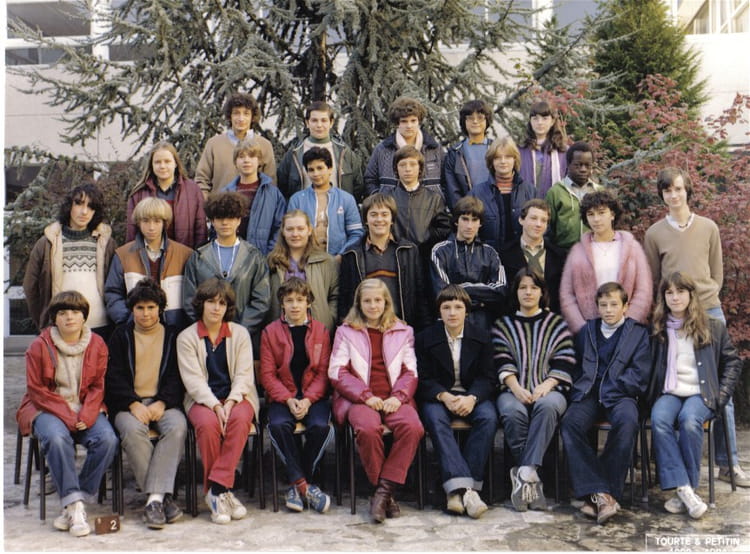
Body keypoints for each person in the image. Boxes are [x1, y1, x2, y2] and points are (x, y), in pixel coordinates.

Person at [643, 168, 749, 487]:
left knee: (720, 390)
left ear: (687, 190)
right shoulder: (654, 234)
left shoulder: (708, 227)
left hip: (708, 311)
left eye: (678, 189)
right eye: (667, 191)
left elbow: (716, 273)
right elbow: (655, 278)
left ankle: (728, 463)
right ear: (662, 195)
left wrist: (705, 300)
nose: (673, 195)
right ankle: (676, 471)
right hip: (674, 313)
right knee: (678, 384)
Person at [16, 291, 118, 537]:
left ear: (84, 317)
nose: (69, 317)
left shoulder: (97, 344)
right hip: (46, 407)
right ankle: (74, 506)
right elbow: (37, 390)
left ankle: (75, 501)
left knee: (107, 440)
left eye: (75, 312)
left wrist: (88, 414)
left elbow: (98, 386)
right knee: (57, 438)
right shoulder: (39, 346)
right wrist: (69, 416)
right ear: (54, 318)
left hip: (85, 406)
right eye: (62, 313)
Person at [328, 278, 424, 523]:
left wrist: (398, 397)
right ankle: (385, 495)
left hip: (394, 398)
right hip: (359, 399)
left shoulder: (403, 331)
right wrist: (365, 396)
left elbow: (411, 371)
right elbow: (337, 371)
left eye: (378, 300)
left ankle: (381, 493)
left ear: (386, 302)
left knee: (413, 427)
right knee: (368, 429)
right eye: (367, 301)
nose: (373, 306)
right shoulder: (346, 331)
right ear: (359, 303)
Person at [648, 272, 741, 519]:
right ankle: (685, 489)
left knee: (690, 421)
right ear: (663, 297)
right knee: (659, 419)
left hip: (701, 393)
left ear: (691, 294)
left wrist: (721, 395)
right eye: (669, 292)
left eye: (680, 292)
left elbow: (733, 362)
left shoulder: (712, 326)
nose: (675, 297)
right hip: (670, 391)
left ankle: (686, 489)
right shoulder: (658, 328)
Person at [560, 282, 651, 524]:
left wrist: (614, 387)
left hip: (621, 394)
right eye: (603, 305)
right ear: (597, 307)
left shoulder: (638, 334)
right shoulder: (587, 332)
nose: (608, 310)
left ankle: (601, 493)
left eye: (614, 304)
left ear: (625, 306)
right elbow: (575, 365)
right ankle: (601, 493)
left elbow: (640, 373)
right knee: (570, 423)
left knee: (627, 421)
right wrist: (579, 387)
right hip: (589, 393)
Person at [177, 278, 260, 524]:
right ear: (201, 304)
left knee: (241, 419)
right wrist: (214, 405)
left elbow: (244, 376)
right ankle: (223, 493)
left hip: (238, 397)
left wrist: (230, 403)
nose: (216, 308)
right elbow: (193, 381)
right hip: (201, 400)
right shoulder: (186, 337)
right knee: (208, 425)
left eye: (222, 303)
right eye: (211, 302)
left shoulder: (240, 334)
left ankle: (216, 490)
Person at [105, 279, 187, 529]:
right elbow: (113, 376)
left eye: (151, 307)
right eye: (139, 308)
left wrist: (162, 402)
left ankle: (154, 499)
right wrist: (132, 403)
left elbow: (177, 375)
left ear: (160, 308)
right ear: (132, 309)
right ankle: (161, 499)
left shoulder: (172, 336)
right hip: (129, 404)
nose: (146, 313)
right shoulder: (120, 335)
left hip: (164, 402)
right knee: (132, 431)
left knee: (177, 427)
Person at [492, 268, 575, 512]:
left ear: (542, 292)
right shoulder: (503, 325)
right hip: (512, 389)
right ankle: (532, 479)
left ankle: (525, 471)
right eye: (523, 288)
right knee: (512, 411)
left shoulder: (557, 324)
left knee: (547, 406)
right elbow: (500, 359)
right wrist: (516, 387)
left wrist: (547, 385)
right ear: (515, 292)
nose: (528, 292)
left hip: (551, 389)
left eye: (534, 287)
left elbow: (565, 360)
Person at [415, 285, 497, 518]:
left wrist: (472, 398)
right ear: (439, 311)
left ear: (466, 311)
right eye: (446, 307)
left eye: (458, 307)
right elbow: (422, 378)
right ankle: (467, 492)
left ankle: (457, 492)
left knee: (488, 418)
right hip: (439, 397)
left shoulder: (481, 337)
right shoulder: (425, 338)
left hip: (471, 395)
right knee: (435, 419)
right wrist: (444, 396)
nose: (452, 312)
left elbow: (488, 377)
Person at [259, 278, 334, 514]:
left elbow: (323, 373)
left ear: (308, 302)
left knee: (321, 427)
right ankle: (305, 486)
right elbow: (268, 375)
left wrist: (308, 399)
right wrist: (288, 399)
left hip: (313, 396)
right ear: (281, 303)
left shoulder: (321, 331)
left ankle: (298, 484)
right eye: (289, 300)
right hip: (284, 396)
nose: (294, 305)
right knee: (278, 425)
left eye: (300, 300)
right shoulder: (270, 332)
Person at [24, 183, 116, 339]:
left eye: (91, 207)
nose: (84, 211)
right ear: (69, 206)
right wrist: (44, 320)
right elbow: (30, 286)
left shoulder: (106, 242)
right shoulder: (47, 243)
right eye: (79, 204)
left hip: (101, 327)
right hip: (61, 329)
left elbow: (116, 286)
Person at [559, 189, 652, 334]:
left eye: (601, 213)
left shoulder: (632, 248)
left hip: (627, 331)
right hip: (589, 331)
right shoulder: (577, 251)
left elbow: (643, 291)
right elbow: (567, 295)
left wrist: (629, 325)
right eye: (591, 214)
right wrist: (582, 328)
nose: (596, 219)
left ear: (612, 214)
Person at [182, 192, 270, 343]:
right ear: (212, 221)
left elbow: (261, 300)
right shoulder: (198, 257)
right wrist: (208, 330)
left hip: (242, 337)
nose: (225, 223)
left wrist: (239, 331)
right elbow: (189, 298)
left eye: (230, 218)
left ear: (239, 220)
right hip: (206, 338)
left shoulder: (254, 257)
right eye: (219, 218)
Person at [338, 193, 429, 330]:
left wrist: (423, 331)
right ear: (366, 220)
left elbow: (421, 295)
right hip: (365, 330)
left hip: (401, 328)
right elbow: (345, 299)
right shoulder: (351, 254)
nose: (379, 219)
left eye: (384, 214)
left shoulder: (409, 251)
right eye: (373, 214)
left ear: (392, 219)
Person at [105, 198, 193, 331]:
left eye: (157, 221)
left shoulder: (185, 254)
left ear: (165, 223)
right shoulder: (123, 255)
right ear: (138, 223)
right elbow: (113, 293)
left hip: (176, 330)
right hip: (136, 331)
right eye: (146, 221)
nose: (151, 227)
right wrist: (128, 319)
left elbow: (194, 296)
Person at [430, 196, 507, 329]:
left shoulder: (490, 253)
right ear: (456, 221)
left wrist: (459, 288)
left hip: (483, 324)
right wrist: (480, 300)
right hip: (449, 324)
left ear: (480, 223)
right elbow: (442, 293)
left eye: (474, 220)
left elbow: (500, 290)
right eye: (465, 219)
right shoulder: (440, 251)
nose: (469, 226)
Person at [277, 100, 364, 202]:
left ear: (331, 123)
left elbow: (358, 186)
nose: (319, 125)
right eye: (314, 120)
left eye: (324, 120)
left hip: (338, 211)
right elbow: (282, 187)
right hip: (302, 211)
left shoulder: (344, 153)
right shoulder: (294, 154)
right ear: (307, 123)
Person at [267, 210, 339, 332]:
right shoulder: (272, 262)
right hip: (280, 333)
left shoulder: (327, 262)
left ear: (309, 230)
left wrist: (329, 319)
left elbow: (335, 296)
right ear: (283, 232)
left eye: (300, 229)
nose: (295, 234)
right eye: (290, 229)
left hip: (317, 332)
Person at [126, 141, 207, 250]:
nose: (162, 166)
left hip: (184, 255)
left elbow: (201, 229)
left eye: (167, 161)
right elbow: (132, 232)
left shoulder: (193, 190)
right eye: (157, 162)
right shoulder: (139, 194)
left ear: (176, 163)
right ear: (151, 165)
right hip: (149, 256)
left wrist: (197, 256)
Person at [287, 147, 364, 260]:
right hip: (305, 261)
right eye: (311, 170)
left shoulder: (346, 199)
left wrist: (341, 255)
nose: (316, 173)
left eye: (320, 168)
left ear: (330, 169)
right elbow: (289, 232)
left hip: (338, 260)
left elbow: (356, 233)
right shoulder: (297, 200)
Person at [195, 92, 277, 197]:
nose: (241, 118)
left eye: (246, 114)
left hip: (256, 206)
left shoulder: (264, 145)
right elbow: (201, 180)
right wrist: (207, 203)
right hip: (221, 205)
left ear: (252, 117)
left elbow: (271, 183)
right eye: (236, 113)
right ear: (230, 116)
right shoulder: (214, 144)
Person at [378, 145, 451, 259]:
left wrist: (425, 237)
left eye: (412, 164)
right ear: (396, 169)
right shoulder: (387, 198)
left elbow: (444, 228)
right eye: (402, 165)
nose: (408, 169)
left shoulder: (434, 199)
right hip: (393, 256)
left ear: (420, 168)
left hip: (423, 256)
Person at [364, 96, 445, 197]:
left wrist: (440, 200)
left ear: (419, 121)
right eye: (404, 121)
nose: (409, 126)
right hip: (392, 205)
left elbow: (446, 180)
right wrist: (380, 199)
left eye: (413, 120)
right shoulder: (382, 149)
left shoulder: (434, 148)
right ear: (397, 123)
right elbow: (370, 179)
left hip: (430, 205)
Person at [219, 139, 286, 255]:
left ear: (259, 161)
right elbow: (217, 228)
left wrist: (269, 255)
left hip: (262, 257)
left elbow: (279, 228)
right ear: (235, 162)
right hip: (232, 257)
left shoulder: (273, 194)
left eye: (251, 156)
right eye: (241, 157)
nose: (246, 160)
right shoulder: (225, 194)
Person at [468, 137, 536, 252]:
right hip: (488, 257)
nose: (503, 161)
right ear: (491, 162)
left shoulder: (530, 191)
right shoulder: (477, 193)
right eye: (497, 157)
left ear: (515, 160)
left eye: (508, 157)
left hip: (522, 257)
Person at [500, 199, 565, 313]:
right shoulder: (504, 254)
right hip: (515, 316)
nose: (538, 224)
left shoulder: (559, 256)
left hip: (550, 317)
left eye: (543, 220)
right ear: (521, 220)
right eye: (533, 218)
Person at [545, 141, 602, 252]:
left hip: (594, 252)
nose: (583, 169)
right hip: (563, 253)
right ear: (568, 164)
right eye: (578, 165)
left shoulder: (599, 192)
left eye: (587, 165)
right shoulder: (555, 192)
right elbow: (548, 228)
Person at [442, 99, 493, 209]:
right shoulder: (455, 152)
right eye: (470, 118)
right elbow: (452, 189)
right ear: (464, 122)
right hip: (467, 212)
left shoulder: (496, 149)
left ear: (487, 120)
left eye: (480, 117)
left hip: (495, 211)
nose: (475, 121)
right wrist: (463, 211)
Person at [518, 100, 568, 198]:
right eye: (535, 118)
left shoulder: (563, 151)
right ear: (530, 121)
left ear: (552, 121)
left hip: (555, 203)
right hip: (526, 203)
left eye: (545, 118)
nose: (540, 123)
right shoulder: (520, 150)